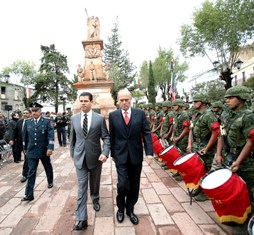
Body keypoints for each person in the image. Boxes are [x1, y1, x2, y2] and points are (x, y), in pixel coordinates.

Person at [109, 89, 153, 225]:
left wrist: (149, 152)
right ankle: (120, 208)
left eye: (126, 100)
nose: (124, 102)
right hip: (120, 156)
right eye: (121, 100)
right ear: (118, 101)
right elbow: (112, 136)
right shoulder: (113, 115)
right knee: (122, 185)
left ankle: (130, 209)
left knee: (134, 185)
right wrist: (112, 153)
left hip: (136, 155)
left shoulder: (140, 114)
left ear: (130, 100)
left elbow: (146, 133)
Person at [215, 86, 254, 234]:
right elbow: (220, 134)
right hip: (229, 156)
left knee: (248, 191)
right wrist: (219, 154)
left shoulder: (248, 116)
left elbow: (251, 141)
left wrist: (239, 161)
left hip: (246, 160)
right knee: (232, 190)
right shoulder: (226, 115)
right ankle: (237, 217)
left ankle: (248, 224)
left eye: (231, 98)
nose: (227, 100)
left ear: (241, 99)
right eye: (226, 98)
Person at [70, 91, 110, 231]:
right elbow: (73, 138)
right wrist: (72, 154)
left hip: (95, 157)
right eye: (81, 101)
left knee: (94, 182)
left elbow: (106, 137)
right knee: (81, 187)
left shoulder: (99, 119)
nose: (83, 103)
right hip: (79, 158)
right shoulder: (74, 118)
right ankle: (82, 218)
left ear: (91, 102)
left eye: (86, 101)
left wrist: (105, 152)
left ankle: (95, 198)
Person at [187, 93, 220, 201]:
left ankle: (206, 192)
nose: (194, 103)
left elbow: (216, 132)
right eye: (193, 101)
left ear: (203, 102)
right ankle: (199, 188)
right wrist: (190, 143)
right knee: (198, 168)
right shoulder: (197, 115)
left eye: (196, 101)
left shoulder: (209, 115)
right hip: (197, 145)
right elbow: (191, 129)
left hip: (206, 147)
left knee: (206, 169)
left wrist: (207, 148)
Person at [21, 102, 54, 202]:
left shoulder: (47, 122)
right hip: (31, 150)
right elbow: (25, 137)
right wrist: (24, 148)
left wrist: (50, 148)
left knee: (47, 166)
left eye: (36, 111)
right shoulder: (27, 122)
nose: (34, 112)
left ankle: (50, 181)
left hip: (44, 150)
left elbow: (51, 136)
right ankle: (29, 194)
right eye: (33, 111)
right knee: (31, 172)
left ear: (40, 111)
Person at [14, 109, 32, 183]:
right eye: (24, 113)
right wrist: (12, 139)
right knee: (27, 159)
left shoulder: (32, 122)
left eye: (27, 113)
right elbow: (15, 131)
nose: (25, 114)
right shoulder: (19, 121)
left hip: (29, 144)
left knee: (27, 159)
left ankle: (25, 174)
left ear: (30, 114)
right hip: (20, 143)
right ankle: (29, 171)